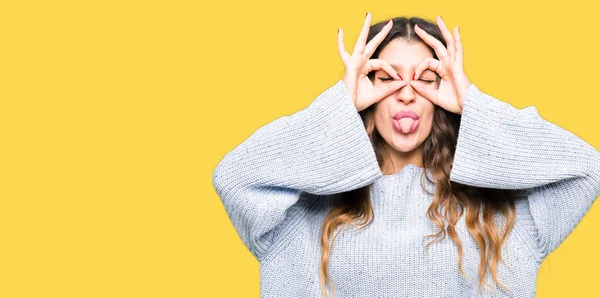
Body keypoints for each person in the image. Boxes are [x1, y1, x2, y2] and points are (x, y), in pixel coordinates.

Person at [211, 12, 600, 298]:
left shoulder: (499, 217)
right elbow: (234, 177)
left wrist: (474, 104)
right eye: (389, 77)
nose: (408, 93)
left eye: (427, 80)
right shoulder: (302, 219)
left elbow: (586, 169)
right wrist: (338, 108)